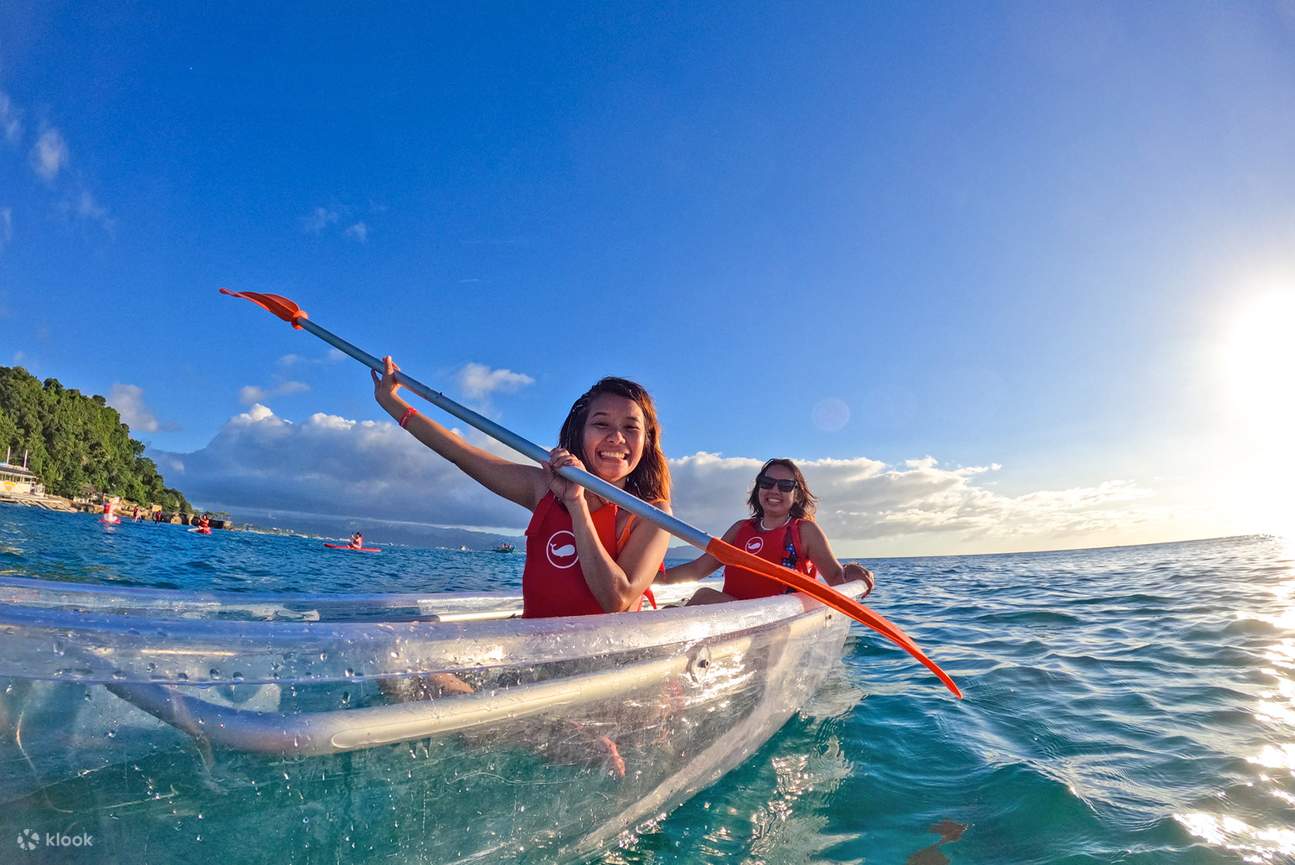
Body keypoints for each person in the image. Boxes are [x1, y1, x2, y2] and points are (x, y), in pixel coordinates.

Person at [372, 357, 671, 618]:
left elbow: (616, 599)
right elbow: (460, 452)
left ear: (646, 441)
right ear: (579, 434)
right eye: (601, 424)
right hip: (537, 657)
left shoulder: (653, 515)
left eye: (631, 427)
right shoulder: (544, 489)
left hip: (605, 666)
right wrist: (394, 405)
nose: (617, 437)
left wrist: (576, 504)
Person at [660, 458, 874, 604]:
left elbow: (836, 578)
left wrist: (853, 570)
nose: (774, 490)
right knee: (686, 603)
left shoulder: (804, 531)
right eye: (767, 483)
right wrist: (649, 578)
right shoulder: (740, 529)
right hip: (734, 620)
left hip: (776, 622)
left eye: (785, 486)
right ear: (758, 488)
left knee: (703, 596)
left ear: (797, 494)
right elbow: (698, 569)